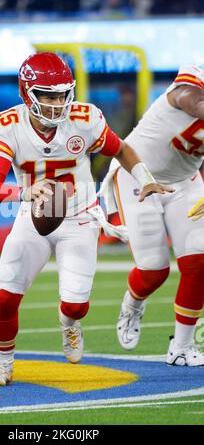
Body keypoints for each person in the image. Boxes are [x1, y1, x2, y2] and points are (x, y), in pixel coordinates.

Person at [0, 52, 172, 387]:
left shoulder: (85, 118)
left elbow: (120, 149)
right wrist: (25, 193)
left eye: (61, 94)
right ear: (27, 93)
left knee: (76, 305)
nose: (56, 104)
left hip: (81, 217)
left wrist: (146, 178)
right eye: (47, 96)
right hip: (34, 213)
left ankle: (69, 323)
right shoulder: (8, 125)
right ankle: (2, 363)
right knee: (7, 294)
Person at [101, 64, 204, 366]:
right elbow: (191, 100)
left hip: (185, 182)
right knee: (154, 270)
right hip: (139, 175)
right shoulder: (191, 84)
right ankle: (132, 304)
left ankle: (182, 348)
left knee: (198, 261)